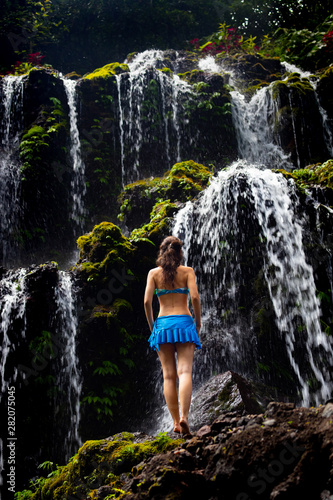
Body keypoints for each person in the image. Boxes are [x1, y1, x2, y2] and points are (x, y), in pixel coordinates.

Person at [144, 235, 202, 435]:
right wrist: (198, 323)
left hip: (162, 324)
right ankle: (186, 418)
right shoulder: (187, 272)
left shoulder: (153, 273)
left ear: (162, 252)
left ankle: (176, 423)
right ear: (179, 253)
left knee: (168, 376)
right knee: (184, 372)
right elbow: (194, 297)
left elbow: (146, 302)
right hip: (184, 323)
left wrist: (153, 327)